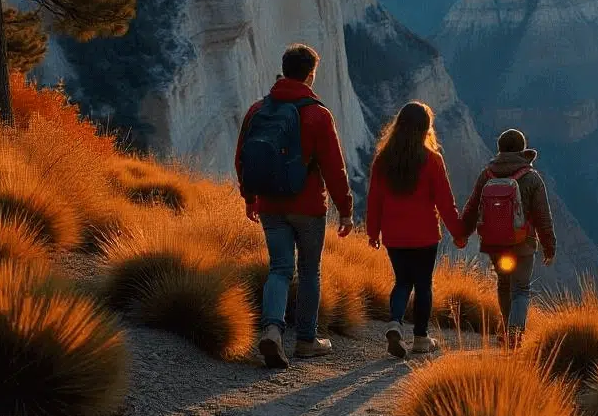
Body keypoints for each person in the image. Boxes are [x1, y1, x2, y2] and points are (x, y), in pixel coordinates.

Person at [236, 44, 354, 369]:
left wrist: (250, 198)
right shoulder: (318, 114)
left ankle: (272, 330)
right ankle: (306, 341)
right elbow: (334, 167)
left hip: (270, 204)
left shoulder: (257, 110)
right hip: (308, 207)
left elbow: (242, 159)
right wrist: (345, 209)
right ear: (311, 75)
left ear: (284, 69)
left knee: (279, 268)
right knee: (309, 271)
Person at [365, 101, 465, 357]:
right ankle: (421, 338)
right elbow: (445, 202)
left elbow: (374, 199)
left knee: (401, 282)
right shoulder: (432, 160)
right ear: (425, 128)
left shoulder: (383, 160)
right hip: (424, 236)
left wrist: (373, 232)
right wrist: (458, 233)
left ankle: (395, 323)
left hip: (394, 236)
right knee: (423, 285)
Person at [459, 129, 556, 345]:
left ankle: (506, 329)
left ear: (499, 149)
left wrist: (462, 234)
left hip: (495, 244)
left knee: (503, 284)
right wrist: (549, 248)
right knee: (520, 288)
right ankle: (514, 331)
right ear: (522, 150)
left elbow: (473, 207)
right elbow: (543, 216)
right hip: (523, 243)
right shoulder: (531, 178)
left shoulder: (487, 175)